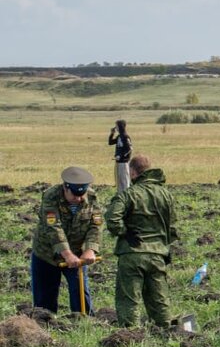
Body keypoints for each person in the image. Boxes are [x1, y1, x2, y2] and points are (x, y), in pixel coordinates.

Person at [105, 154, 179, 328]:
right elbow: (173, 227)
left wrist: (125, 232)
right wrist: (160, 243)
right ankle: (168, 334)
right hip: (157, 254)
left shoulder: (129, 194)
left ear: (132, 172)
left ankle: (131, 337)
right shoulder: (166, 195)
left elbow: (112, 220)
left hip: (132, 254)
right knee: (160, 299)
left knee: (129, 299)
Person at [30, 166, 102, 314]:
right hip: (47, 254)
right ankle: (46, 328)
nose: (79, 199)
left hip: (77, 254)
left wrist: (90, 250)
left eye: (81, 195)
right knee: (45, 300)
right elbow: (53, 227)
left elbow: (96, 224)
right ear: (65, 188)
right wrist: (67, 255)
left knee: (80, 293)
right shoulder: (51, 196)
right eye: (75, 195)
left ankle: (83, 326)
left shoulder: (91, 197)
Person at [108, 119, 133, 193]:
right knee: (119, 181)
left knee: (125, 181)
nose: (116, 128)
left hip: (124, 162)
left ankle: (127, 195)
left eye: (117, 126)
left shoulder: (125, 137)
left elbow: (129, 149)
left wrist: (121, 156)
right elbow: (110, 142)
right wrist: (112, 133)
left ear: (121, 126)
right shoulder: (119, 136)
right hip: (119, 162)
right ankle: (120, 196)